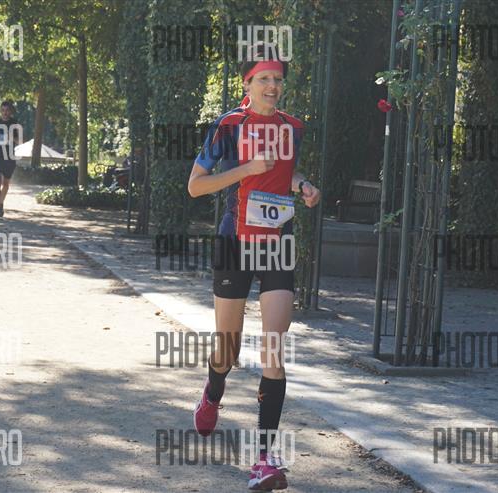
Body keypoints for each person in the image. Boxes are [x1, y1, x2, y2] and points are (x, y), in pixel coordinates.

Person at [188, 43, 320, 491]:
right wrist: (244, 170)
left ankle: (264, 459)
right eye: (264, 78)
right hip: (235, 241)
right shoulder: (229, 126)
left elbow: (285, 172)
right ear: (247, 83)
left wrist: (303, 185)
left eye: (278, 79)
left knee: (274, 350)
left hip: (278, 241)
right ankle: (213, 392)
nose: (272, 85)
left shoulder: (292, 128)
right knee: (227, 346)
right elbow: (196, 185)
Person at [0, 100, 20, 217]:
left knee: (6, 184)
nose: (5, 113)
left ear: (10, 111)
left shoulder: (14, 123)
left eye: (7, 110)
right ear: (0, 111)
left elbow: (19, 141)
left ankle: (0, 204)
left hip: (9, 156)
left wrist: (10, 137)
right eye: (2, 110)